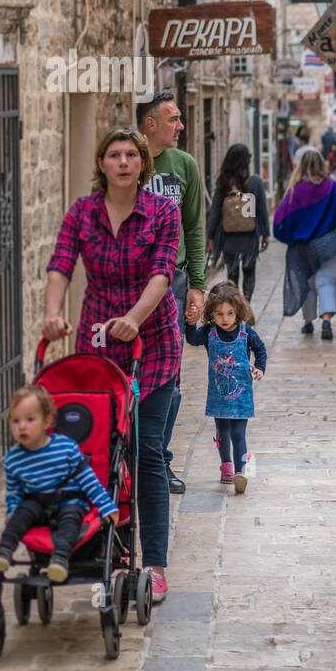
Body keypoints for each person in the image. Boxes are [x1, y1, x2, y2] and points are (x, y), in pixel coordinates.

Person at [42, 125, 181, 602]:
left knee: (144, 453)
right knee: (97, 449)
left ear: (143, 164)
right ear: (101, 164)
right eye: (114, 155)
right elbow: (61, 264)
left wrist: (135, 319)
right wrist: (51, 314)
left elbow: (163, 273)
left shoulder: (163, 211)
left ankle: (155, 563)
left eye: (131, 155)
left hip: (153, 345)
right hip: (98, 346)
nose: (123, 162)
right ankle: (106, 546)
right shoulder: (82, 213)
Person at [136, 90, 205, 497]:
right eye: (173, 119)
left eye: (180, 118)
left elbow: (194, 226)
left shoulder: (185, 165)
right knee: (130, 372)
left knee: (171, 378)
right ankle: (130, 460)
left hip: (173, 282)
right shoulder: (127, 159)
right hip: (132, 280)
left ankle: (159, 461)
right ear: (151, 124)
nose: (180, 126)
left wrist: (196, 284)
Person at [0, 384, 119, 582]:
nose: (21, 426)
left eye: (30, 419)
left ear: (47, 421)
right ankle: (5, 550)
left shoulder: (66, 448)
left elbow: (88, 480)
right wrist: (12, 510)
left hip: (69, 503)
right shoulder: (13, 458)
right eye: (15, 421)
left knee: (70, 522)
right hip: (37, 505)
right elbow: (14, 491)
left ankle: (60, 559)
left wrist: (106, 505)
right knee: (20, 515)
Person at [272, 146, 336, 340]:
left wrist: (293, 236)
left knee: (308, 282)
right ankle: (327, 319)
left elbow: (279, 223)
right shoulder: (331, 187)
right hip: (332, 246)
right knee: (326, 281)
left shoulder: (295, 192)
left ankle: (307, 322)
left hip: (304, 248)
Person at [185, 281, 267, 494]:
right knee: (222, 433)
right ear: (212, 313)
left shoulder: (246, 332)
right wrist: (192, 321)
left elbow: (260, 350)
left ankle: (240, 473)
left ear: (238, 311)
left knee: (238, 434)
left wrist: (260, 368)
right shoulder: (209, 332)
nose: (225, 319)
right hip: (218, 395)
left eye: (230, 313)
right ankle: (226, 468)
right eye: (219, 314)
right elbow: (192, 339)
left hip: (241, 396)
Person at [205, 144, 269, 301]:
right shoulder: (255, 182)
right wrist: (266, 234)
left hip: (228, 236)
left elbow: (215, 212)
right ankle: (246, 303)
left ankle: (234, 304)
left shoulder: (225, 182)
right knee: (249, 271)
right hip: (250, 235)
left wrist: (211, 238)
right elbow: (261, 210)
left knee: (232, 273)